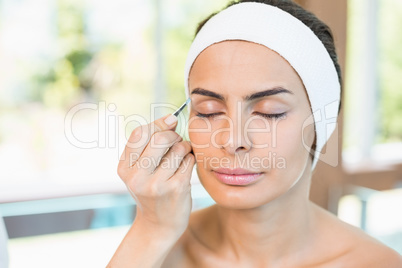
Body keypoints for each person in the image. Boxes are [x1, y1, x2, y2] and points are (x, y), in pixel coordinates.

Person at [108, 0, 402, 267]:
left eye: (269, 112)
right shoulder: (154, 251)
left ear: (322, 123)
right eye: (209, 111)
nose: (233, 141)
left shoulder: (378, 263)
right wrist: (152, 230)